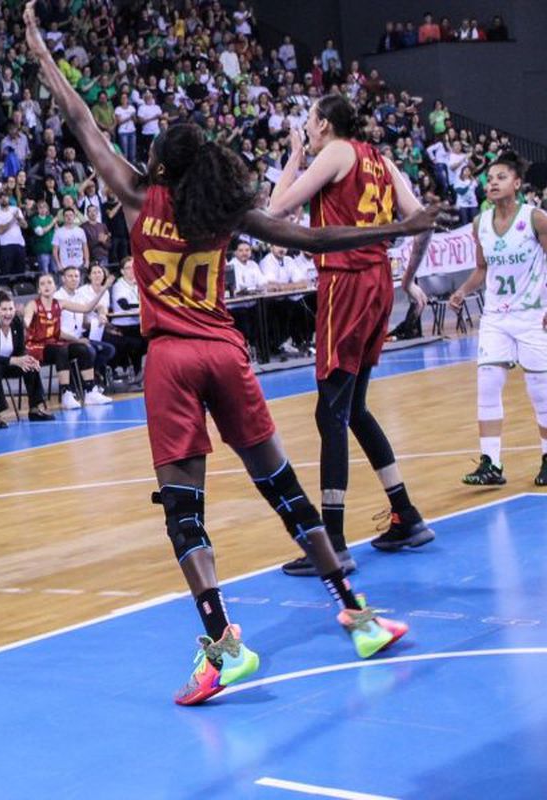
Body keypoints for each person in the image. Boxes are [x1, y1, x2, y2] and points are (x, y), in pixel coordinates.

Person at [27, 2, 434, 704]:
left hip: (172, 362)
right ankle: (359, 616)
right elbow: (310, 241)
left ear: (159, 163)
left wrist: (38, 48)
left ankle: (222, 647)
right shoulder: (225, 211)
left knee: (185, 511)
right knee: (282, 488)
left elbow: (81, 122)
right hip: (226, 353)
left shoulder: (135, 194)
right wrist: (402, 226)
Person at [269, 94, 436, 571]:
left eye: (308, 122)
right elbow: (419, 222)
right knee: (355, 408)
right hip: (380, 281)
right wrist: (407, 280)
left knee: (331, 413)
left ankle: (333, 543)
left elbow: (278, 209)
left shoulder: (335, 153)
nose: (306, 127)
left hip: (345, 283)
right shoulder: (380, 159)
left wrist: (296, 155)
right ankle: (406, 513)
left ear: (322, 124)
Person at [433, 152, 547, 487]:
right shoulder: (479, 223)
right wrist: (462, 291)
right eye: (490, 178)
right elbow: (483, 269)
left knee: (540, 391)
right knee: (487, 387)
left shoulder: (536, 218)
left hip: (532, 315)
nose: (492, 183)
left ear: (516, 183)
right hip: (496, 316)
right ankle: (491, 464)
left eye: (500, 177)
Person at [0, 291, 54, 427]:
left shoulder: (16, 321)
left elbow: (20, 349)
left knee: (30, 365)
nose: (8, 313)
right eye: (4, 309)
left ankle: (35, 409)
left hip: (3, 365)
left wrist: (27, 358)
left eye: (11, 309)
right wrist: (13, 361)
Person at [24, 272, 110, 409]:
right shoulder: (33, 305)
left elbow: (87, 308)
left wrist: (103, 289)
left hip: (56, 343)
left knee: (83, 349)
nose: (46, 286)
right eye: (42, 284)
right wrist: (26, 321)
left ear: (54, 286)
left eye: (49, 283)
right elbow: (26, 318)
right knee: (61, 350)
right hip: (38, 347)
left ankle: (90, 391)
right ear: (39, 289)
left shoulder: (60, 303)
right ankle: (66, 393)